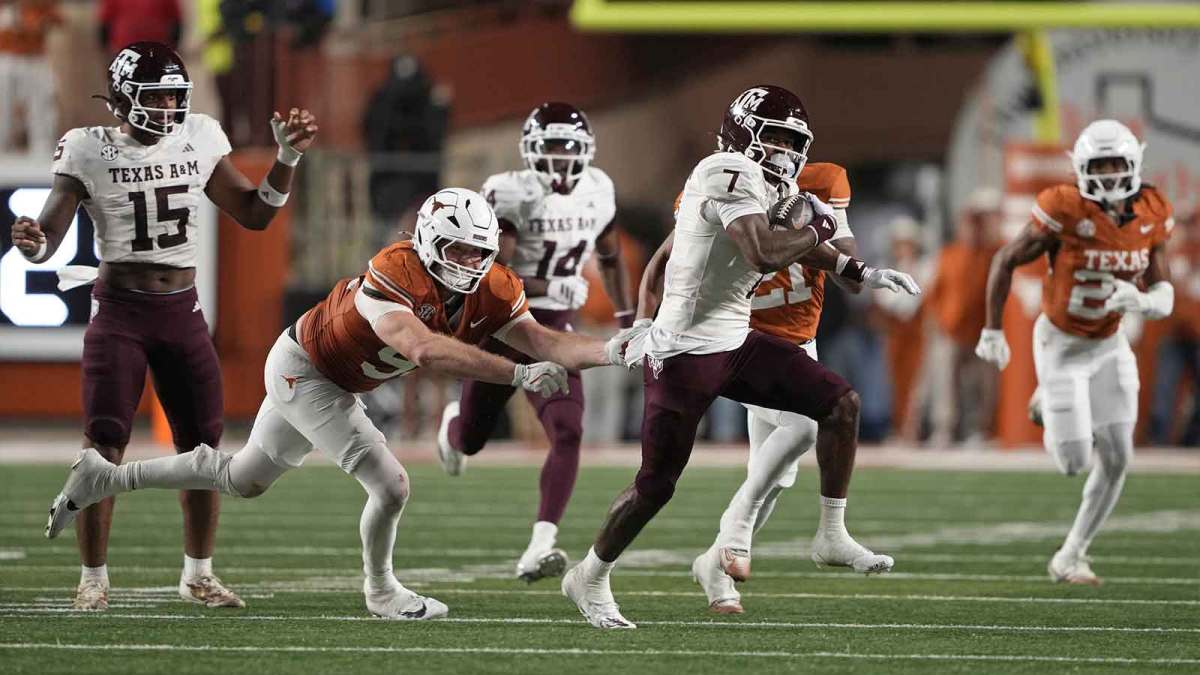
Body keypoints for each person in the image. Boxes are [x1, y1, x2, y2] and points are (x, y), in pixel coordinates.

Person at [44, 187, 645, 620]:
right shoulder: (394, 270)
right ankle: (381, 590)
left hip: (330, 378)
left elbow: (544, 341)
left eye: (477, 254)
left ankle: (106, 476)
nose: (470, 265)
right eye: (459, 251)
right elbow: (424, 349)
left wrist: (613, 351)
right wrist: (517, 375)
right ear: (431, 243)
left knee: (241, 478)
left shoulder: (494, 284)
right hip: (308, 371)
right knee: (392, 484)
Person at [560, 85, 920, 628]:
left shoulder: (772, 184)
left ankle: (831, 532)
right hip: (683, 350)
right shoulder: (722, 172)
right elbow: (763, 250)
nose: (783, 151)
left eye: (791, 141)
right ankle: (588, 576)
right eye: (772, 137)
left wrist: (862, 273)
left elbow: (803, 244)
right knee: (655, 486)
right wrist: (815, 224)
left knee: (840, 404)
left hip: (737, 341)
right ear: (740, 134)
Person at [11, 41, 317, 611]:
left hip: (183, 312)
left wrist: (286, 159)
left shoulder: (199, 135)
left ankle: (198, 573)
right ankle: (93, 578)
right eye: (158, 97)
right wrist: (33, 244)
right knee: (103, 448)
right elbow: (48, 234)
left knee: (202, 448)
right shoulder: (88, 148)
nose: (172, 107)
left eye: (177, 95)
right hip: (120, 314)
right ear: (123, 100)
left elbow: (255, 214)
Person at [435, 102, 635, 583]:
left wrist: (630, 318)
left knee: (568, 430)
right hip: (503, 325)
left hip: (556, 332)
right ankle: (454, 429)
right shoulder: (508, 193)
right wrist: (549, 287)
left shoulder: (598, 190)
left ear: (585, 151)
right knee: (473, 439)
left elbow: (609, 257)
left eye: (569, 148)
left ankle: (541, 544)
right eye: (550, 148)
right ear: (530, 150)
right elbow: (488, 272)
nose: (561, 159)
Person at [976, 120, 1174, 585]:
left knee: (1119, 458)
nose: (1106, 176)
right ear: (1080, 169)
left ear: (1134, 166)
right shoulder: (1062, 207)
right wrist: (992, 330)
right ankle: (1046, 399)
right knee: (1073, 463)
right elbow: (1005, 258)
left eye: (1115, 165)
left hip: (1109, 345)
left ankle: (1071, 553)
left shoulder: (1152, 208)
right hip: (1060, 345)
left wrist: (1143, 301)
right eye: (1097, 166)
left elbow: (1163, 289)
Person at [926, 189, 1004, 445]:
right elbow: (934, 292)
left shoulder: (994, 254)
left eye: (978, 222)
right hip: (950, 329)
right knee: (945, 383)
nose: (974, 228)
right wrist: (936, 322)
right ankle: (945, 430)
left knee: (980, 386)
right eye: (971, 222)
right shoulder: (949, 253)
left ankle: (977, 431)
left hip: (982, 331)